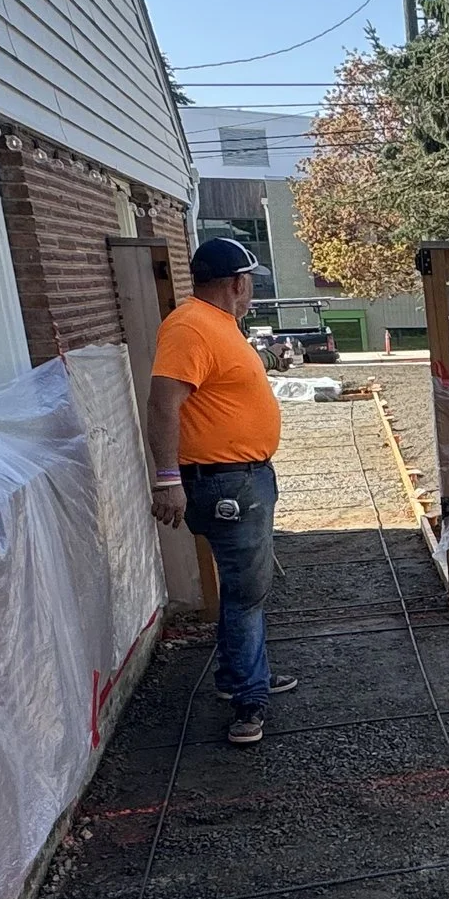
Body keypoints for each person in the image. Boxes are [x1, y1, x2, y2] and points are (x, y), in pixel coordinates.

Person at [149, 237, 296, 745]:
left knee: (243, 589)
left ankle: (242, 675)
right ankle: (247, 700)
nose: (250, 291)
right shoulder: (191, 327)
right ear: (238, 283)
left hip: (241, 478)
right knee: (246, 592)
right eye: (250, 282)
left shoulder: (214, 326)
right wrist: (167, 479)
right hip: (228, 482)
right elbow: (163, 403)